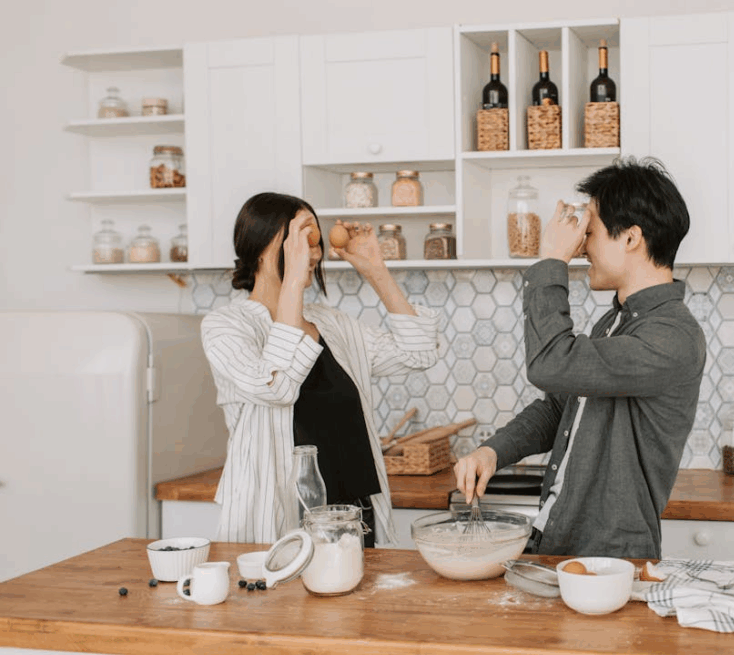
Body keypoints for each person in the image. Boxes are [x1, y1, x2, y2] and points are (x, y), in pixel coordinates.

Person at [454, 157, 706, 560]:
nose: (583, 245)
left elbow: (551, 364)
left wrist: (551, 260)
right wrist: (493, 451)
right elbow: (561, 404)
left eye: (591, 232)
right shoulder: (619, 318)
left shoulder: (672, 336)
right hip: (559, 539)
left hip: (609, 558)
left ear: (630, 238)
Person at [201, 192, 440, 546]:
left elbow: (419, 353)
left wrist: (377, 270)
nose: (315, 252)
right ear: (265, 246)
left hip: (355, 519)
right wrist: (293, 285)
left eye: (316, 240)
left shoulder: (331, 323)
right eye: (304, 239)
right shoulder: (226, 327)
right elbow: (278, 386)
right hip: (278, 522)